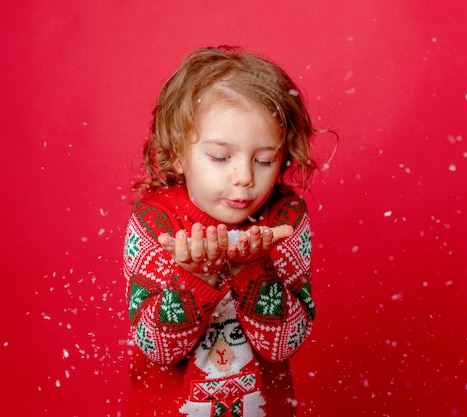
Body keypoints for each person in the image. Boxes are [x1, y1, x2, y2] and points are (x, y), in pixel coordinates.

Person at [123, 46, 324, 417]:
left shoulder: (284, 220)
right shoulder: (155, 222)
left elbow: (283, 345)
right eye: (220, 157)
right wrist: (193, 276)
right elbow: (157, 349)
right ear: (179, 153)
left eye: (264, 160)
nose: (245, 177)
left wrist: (253, 270)